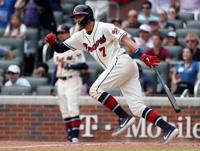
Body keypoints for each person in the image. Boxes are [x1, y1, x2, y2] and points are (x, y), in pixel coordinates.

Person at [45, 4, 178, 144]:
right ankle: (167, 128)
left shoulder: (103, 27)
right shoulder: (79, 37)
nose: (77, 19)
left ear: (88, 15)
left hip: (122, 62)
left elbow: (125, 39)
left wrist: (142, 56)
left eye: (80, 15)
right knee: (138, 108)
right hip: (121, 69)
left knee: (95, 90)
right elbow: (60, 49)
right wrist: (52, 43)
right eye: (75, 17)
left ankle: (123, 117)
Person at [50, 24, 88, 143]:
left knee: (73, 108)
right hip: (60, 81)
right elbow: (56, 68)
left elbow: (84, 65)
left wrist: (70, 65)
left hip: (73, 79)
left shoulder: (75, 47)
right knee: (64, 110)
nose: (60, 35)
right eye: (59, 33)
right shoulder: (57, 50)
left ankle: (75, 136)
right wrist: (52, 84)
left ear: (68, 33)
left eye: (62, 33)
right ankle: (69, 135)